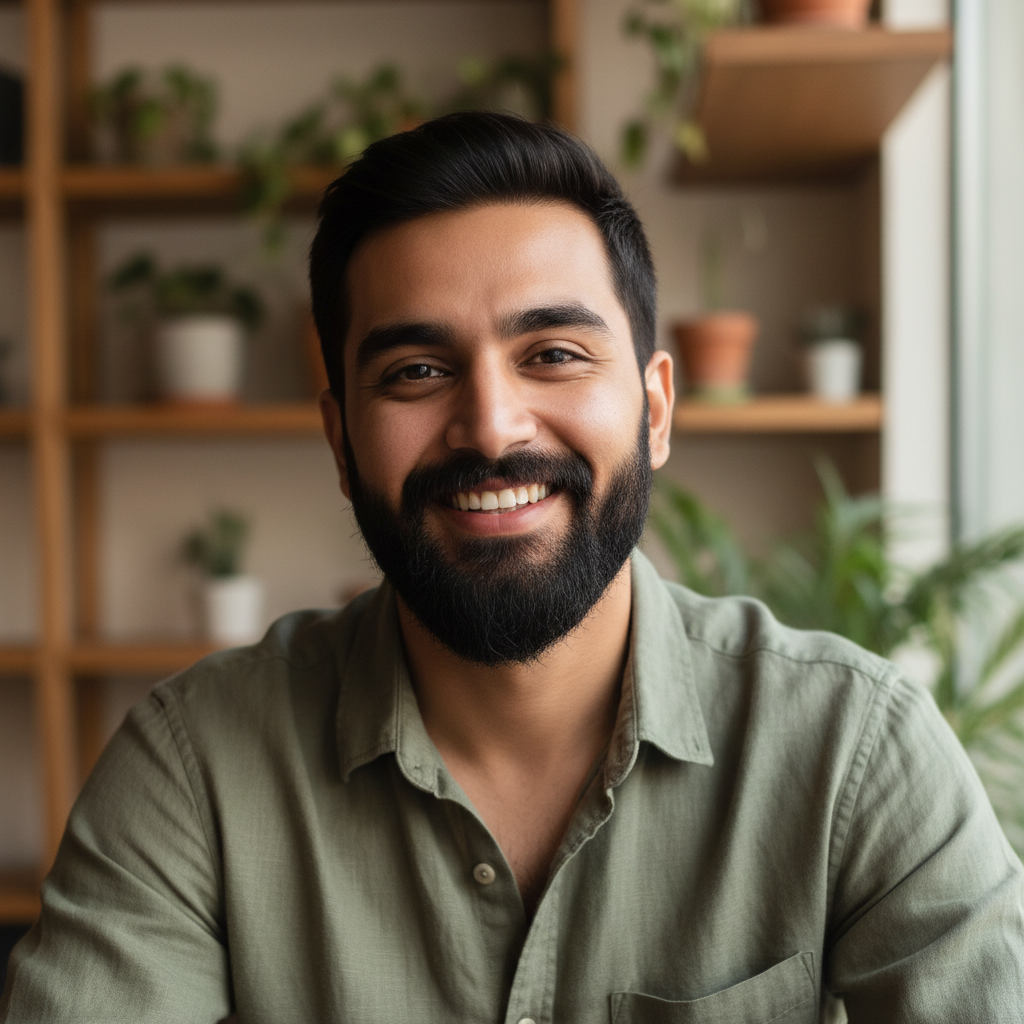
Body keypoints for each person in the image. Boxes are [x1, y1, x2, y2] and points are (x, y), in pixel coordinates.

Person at [3, 111, 1023, 1023]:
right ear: (340, 438)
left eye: (554, 354)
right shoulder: (194, 773)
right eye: (416, 371)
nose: (490, 426)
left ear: (656, 408)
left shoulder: (857, 753)